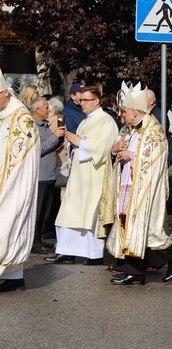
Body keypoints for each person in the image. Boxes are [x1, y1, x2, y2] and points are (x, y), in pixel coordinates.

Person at [106, 83, 172, 285]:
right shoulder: (128, 129)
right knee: (127, 227)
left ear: (134, 111)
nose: (122, 115)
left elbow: (155, 160)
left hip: (143, 188)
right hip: (126, 185)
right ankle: (134, 271)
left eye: (124, 111)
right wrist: (116, 151)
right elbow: (117, 151)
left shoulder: (154, 130)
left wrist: (130, 156)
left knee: (145, 230)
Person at [46, 86, 118, 265]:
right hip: (79, 175)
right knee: (69, 211)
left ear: (97, 101)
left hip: (93, 176)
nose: (81, 103)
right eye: (81, 100)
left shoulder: (106, 121)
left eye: (86, 100)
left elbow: (104, 148)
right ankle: (66, 250)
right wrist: (73, 144)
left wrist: (81, 143)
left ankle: (93, 253)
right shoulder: (86, 121)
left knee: (88, 213)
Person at [0, 71, 40, 292]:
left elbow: (17, 158)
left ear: (5, 93)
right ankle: (14, 278)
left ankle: (12, 275)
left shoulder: (21, 119)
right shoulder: (4, 114)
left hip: (14, 183)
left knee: (7, 225)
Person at [29, 96, 65, 254]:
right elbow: (38, 148)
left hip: (50, 174)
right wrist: (54, 136)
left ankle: (42, 237)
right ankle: (34, 241)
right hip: (39, 175)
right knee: (37, 212)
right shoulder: (32, 126)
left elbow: (51, 146)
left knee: (46, 211)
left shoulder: (45, 125)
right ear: (37, 110)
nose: (49, 110)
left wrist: (60, 138)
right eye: (46, 107)